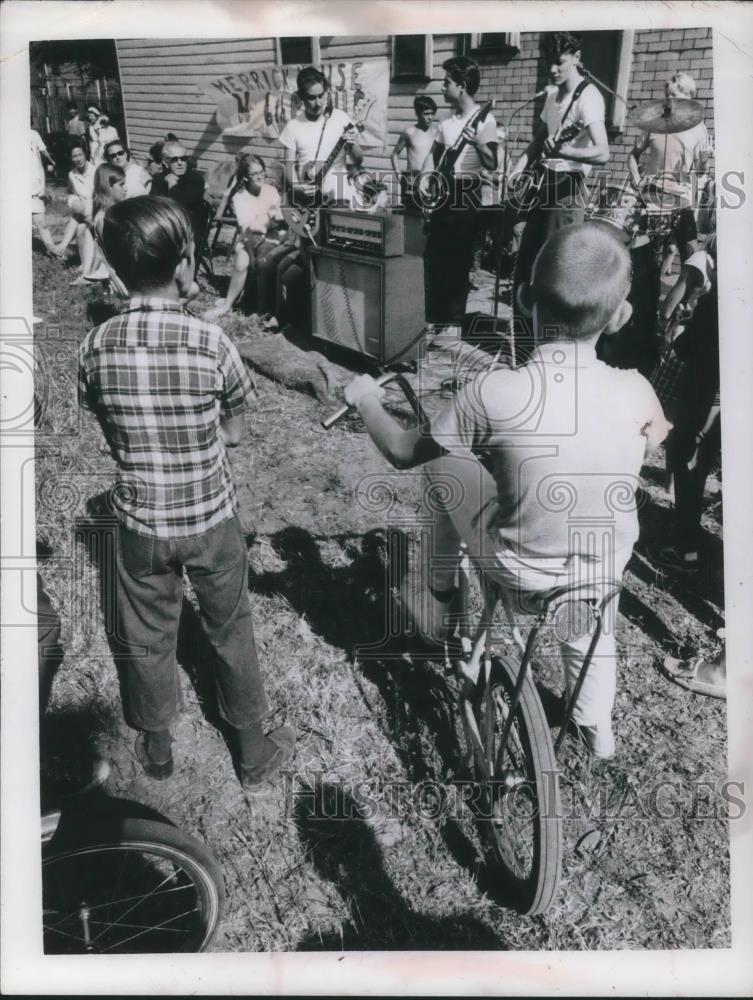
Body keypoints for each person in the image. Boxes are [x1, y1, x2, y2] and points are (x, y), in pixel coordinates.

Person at [343, 223, 671, 759]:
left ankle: (440, 601)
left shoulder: (493, 391)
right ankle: (595, 726)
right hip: (599, 567)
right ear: (619, 316)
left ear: (524, 298)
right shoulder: (638, 389)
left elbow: (403, 451)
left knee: (444, 469)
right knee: (591, 628)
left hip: (520, 569)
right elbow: (642, 444)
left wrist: (365, 400)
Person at [79, 195, 295, 786]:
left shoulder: (94, 346)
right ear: (184, 266)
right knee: (230, 626)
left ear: (117, 269)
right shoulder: (212, 343)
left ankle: (156, 746)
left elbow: (104, 424)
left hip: (140, 520)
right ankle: (252, 749)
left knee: (146, 633)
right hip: (210, 518)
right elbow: (236, 432)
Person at [509, 32, 609, 344]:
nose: (553, 69)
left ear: (577, 58)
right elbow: (542, 137)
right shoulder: (553, 97)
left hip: (568, 189)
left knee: (556, 272)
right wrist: (519, 166)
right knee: (527, 268)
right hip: (543, 185)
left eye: (559, 62)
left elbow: (603, 152)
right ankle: (525, 349)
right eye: (548, 62)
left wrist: (566, 152)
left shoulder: (589, 96)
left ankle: (554, 349)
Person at [654, 235, 719, 572]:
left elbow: (692, 345)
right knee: (703, 463)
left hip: (706, 389)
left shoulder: (721, 290)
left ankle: (686, 548)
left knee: (686, 459)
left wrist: (684, 328)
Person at [420, 56, 498, 331]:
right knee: (434, 257)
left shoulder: (485, 120)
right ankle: (433, 317)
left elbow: (492, 163)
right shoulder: (446, 122)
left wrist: (479, 143)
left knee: (457, 258)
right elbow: (434, 156)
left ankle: (453, 322)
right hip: (444, 191)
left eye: (447, 83)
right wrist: (425, 179)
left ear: (462, 86)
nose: (442, 88)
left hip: (467, 192)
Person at [628, 71, 711, 265]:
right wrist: (637, 180)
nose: (669, 100)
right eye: (668, 96)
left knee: (692, 260)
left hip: (681, 198)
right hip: (650, 196)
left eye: (675, 96)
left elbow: (700, 171)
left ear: (689, 98)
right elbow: (633, 155)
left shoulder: (699, 128)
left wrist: (705, 160)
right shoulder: (654, 124)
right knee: (647, 261)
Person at [204, 154, 296, 322]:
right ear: (246, 177)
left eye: (262, 172)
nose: (260, 176)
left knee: (264, 259)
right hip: (248, 238)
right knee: (242, 262)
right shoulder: (240, 197)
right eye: (255, 174)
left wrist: (273, 217)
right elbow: (248, 227)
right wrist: (269, 216)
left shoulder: (271, 190)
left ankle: (262, 309)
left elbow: (281, 215)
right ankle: (228, 305)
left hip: (273, 235)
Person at [278, 65, 363, 207]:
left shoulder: (341, 118)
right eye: (311, 98)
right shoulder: (292, 126)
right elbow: (289, 167)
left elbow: (359, 160)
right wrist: (298, 187)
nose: (318, 103)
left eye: (321, 96)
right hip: (309, 201)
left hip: (339, 196)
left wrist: (352, 145)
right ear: (301, 97)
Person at [390, 94, 439, 212]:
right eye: (426, 114)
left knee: (429, 218)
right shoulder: (409, 132)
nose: (430, 117)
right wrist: (399, 175)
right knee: (411, 220)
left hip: (430, 182)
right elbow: (394, 154)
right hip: (412, 183)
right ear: (418, 114)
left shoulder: (436, 133)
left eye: (432, 113)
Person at [81, 162, 128, 283]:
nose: (125, 189)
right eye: (121, 185)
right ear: (108, 186)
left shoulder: (113, 213)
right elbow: (118, 256)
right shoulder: (104, 219)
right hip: (124, 277)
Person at [150, 140, 206, 239]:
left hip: (188, 233)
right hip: (162, 229)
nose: (180, 163)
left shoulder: (196, 179)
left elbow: (179, 205)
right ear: (165, 163)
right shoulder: (158, 179)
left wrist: (172, 184)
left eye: (183, 159)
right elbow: (152, 205)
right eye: (174, 159)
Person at [54, 142, 97, 268]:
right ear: (71, 158)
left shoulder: (95, 171)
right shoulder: (72, 175)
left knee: (78, 218)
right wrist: (74, 202)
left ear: (85, 155)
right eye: (74, 156)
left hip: (96, 208)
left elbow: (100, 195)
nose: (78, 159)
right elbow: (72, 194)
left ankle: (62, 246)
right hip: (83, 211)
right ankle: (84, 263)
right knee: (79, 229)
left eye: (80, 155)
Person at [30, 120, 59, 257]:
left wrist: (51, 161)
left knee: (41, 222)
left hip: (34, 185)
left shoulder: (33, 134)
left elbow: (42, 155)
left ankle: (53, 251)